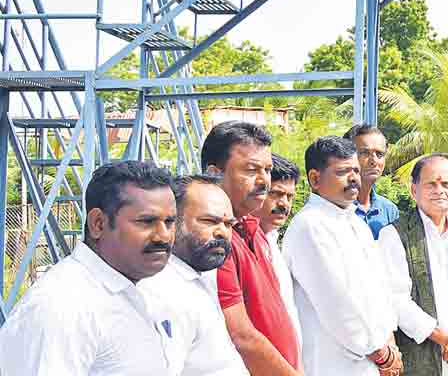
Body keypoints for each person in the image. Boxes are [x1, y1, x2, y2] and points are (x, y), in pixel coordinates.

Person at [0, 161, 179, 375]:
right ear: (98, 224)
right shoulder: (63, 306)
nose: (163, 235)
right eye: (146, 221)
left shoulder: (143, 287)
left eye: (169, 222)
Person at [284, 137, 401, 376]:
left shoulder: (355, 222)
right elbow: (336, 303)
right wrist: (381, 354)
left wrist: (389, 342)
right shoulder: (310, 226)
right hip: (335, 362)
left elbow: (379, 288)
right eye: (342, 172)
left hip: (375, 359)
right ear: (315, 179)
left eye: (356, 170)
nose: (354, 178)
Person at [379, 153, 448, 376]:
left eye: (446, 184)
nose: (439, 190)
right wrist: (444, 339)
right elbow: (396, 299)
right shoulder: (394, 235)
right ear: (414, 190)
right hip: (419, 357)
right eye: (431, 184)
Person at [202, 121, 301, 375]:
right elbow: (241, 335)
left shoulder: (254, 230)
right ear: (214, 173)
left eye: (267, 170)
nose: (263, 181)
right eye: (251, 170)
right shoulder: (213, 241)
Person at [141, 174, 249, 376]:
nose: (222, 232)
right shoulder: (164, 290)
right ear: (172, 222)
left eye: (228, 224)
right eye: (209, 221)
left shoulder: (198, 276)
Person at [253, 154, 303, 343]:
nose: (284, 204)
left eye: (289, 196)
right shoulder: (243, 244)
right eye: (275, 194)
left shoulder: (272, 242)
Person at [344, 123, 400, 237]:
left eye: (379, 154)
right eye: (365, 153)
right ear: (345, 157)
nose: (374, 161)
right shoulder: (335, 209)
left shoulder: (389, 211)